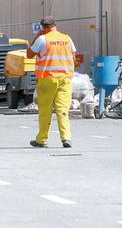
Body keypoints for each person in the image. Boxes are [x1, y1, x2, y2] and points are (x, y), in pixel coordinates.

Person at [27, 16, 76, 148]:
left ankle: (42, 139)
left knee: (45, 110)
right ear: (55, 25)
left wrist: (36, 37)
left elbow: (29, 54)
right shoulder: (67, 38)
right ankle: (66, 138)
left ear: (42, 28)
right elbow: (73, 56)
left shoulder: (42, 39)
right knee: (63, 110)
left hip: (47, 78)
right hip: (65, 79)